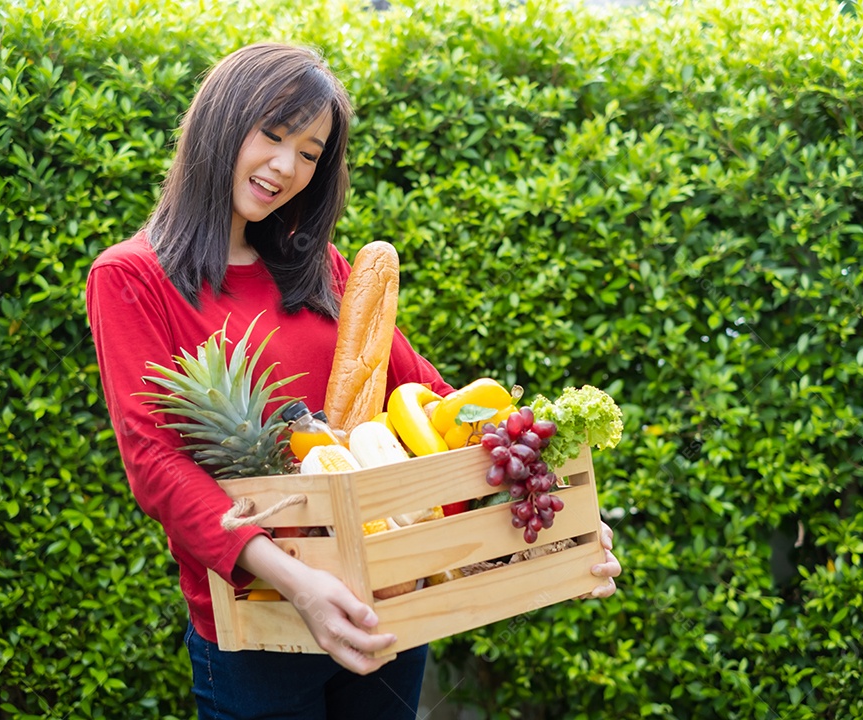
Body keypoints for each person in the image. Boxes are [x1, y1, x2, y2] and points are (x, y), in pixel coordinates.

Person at [85, 43, 622, 719]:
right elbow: (156, 464)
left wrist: (559, 526)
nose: (286, 167)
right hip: (262, 623)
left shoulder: (325, 269)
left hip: (388, 595)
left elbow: (440, 405)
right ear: (221, 122)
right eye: (273, 135)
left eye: (310, 152)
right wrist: (300, 583)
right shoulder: (130, 278)